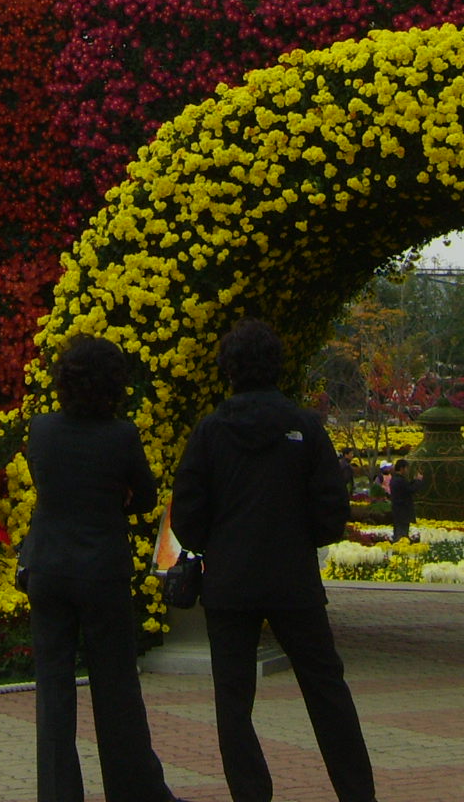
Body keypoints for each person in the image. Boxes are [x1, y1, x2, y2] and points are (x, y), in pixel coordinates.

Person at [173, 319, 376, 802]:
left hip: (229, 582)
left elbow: (187, 512)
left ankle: (251, 793)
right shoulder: (305, 427)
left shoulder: (210, 431)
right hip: (293, 580)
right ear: (278, 366)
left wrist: (216, 543)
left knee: (233, 699)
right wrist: (301, 538)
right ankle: (357, 793)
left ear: (228, 370)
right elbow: (332, 508)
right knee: (326, 690)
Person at [21, 335, 180, 802]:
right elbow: (146, 498)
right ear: (114, 384)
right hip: (101, 572)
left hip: (48, 568)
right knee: (116, 688)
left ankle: (58, 793)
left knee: (53, 690)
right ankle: (135, 791)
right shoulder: (121, 435)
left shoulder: (41, 430)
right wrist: (117, 497)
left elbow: (47, 484)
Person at [385, 458, 424, 542]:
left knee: (399, 532)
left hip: (397, 510)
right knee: (402, 534)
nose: (407, 470)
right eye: (406, 468)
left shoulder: (395, 479)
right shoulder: (400, 480)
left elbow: (407, 486)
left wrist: (415, 480)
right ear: (402, 468)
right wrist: (418, 481)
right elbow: (410, 489)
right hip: (403, 511)